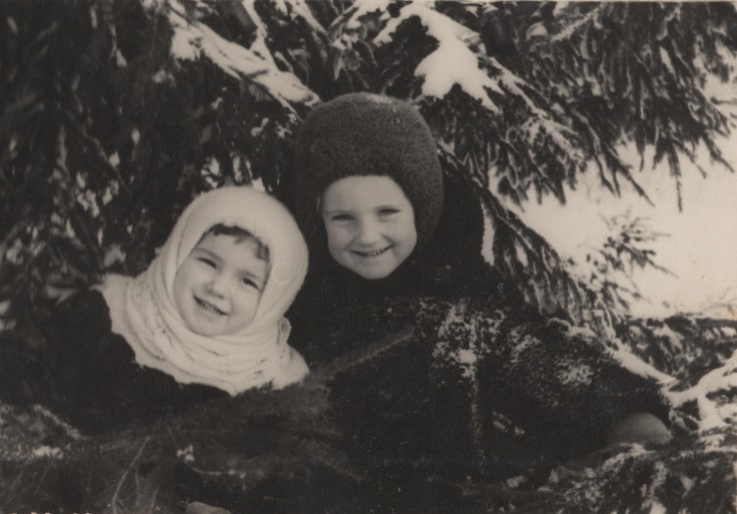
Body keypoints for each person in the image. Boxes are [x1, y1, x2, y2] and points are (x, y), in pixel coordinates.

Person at [284, 93, 671, 509]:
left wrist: (626, 414)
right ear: (316, 219)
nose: (367, 235)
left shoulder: (463, 304)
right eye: (343, 218)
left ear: (422, 209)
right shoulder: (295, 305)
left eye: (387, 213)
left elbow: (542, 359)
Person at [0, 186, 310, 435]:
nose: (218, 288)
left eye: (247, 281)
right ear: (176, 252)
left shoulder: (275, 385)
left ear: (273, 301)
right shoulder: (107, 314)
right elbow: (31, 349)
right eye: (208, 262)